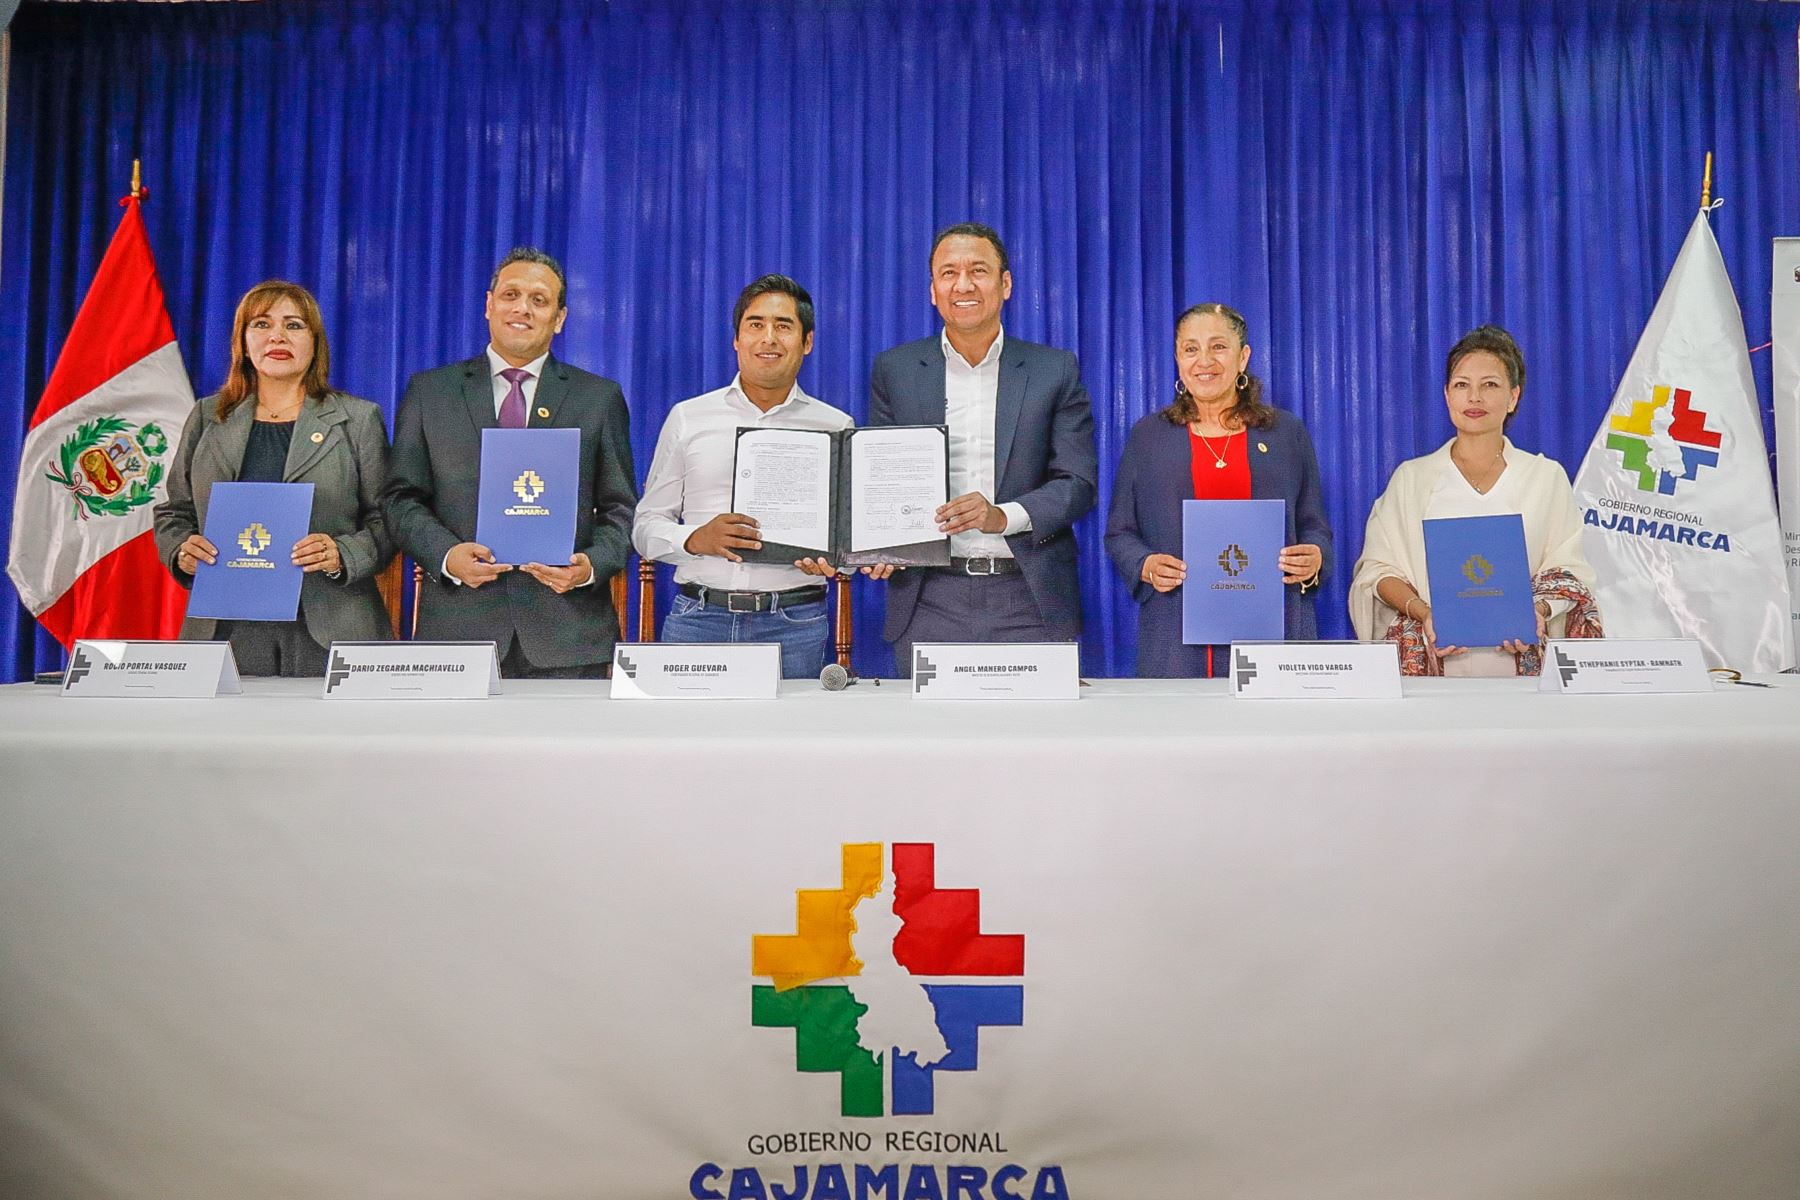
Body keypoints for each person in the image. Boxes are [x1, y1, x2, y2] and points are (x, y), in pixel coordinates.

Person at [381, 248, 637, 678]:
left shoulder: (598, 398)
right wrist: (446, 556)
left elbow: (621, 509)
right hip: (459, 632)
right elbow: (400, 499)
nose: (522, 308)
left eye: (539, 300)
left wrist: (589, 566)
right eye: (511, 294)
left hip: (569, 638)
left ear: (559, 318)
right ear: (488, 305)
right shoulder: (430, 392)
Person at [866, 222, 1098, 674]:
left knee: (1035, 743)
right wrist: (880, 545)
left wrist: (1002, 516)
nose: (964, 284)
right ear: (933, 290)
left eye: (979, 270)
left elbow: (1077, 483)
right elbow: (881, 477)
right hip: (927, 597)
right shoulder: (895, 369)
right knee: (930, 742)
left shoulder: (1054, 370)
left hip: (1028, 599)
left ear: (1005, 284)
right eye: (948, 273)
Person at [154, 281, 393, 676]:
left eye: (294, 325)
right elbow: (174, 511)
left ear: (315, 342)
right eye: (261, 324)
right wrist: (181, 550)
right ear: (242, 341)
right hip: (225, 628)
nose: (277, 336)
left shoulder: (358, 419)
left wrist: (343, 554)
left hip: (330, 626)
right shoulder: (207, 416)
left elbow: (388, 518)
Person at [1349, 324, 1601, 675]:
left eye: (1490, 385)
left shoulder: (1545, 477)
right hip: (1435, 677)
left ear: (1513, 397)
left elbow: (1570, 569)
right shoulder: (1412, 479)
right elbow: (1376, 570)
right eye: (1462, 385)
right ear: (1447, 395)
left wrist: (1537, 612)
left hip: (1526, 680)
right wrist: (1424, 613)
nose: (1475, 398)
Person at [632, 275, 851, 679]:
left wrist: (836, 561)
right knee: (689, 743)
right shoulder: (688, 417)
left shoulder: (836, 426)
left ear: (807, 342)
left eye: (784, 326)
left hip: (794, 623)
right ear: (736, 340)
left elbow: (848, 548)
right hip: (698, 619)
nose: (768, 338)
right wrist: (695, 539)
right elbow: (645, 527)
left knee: (785, 744)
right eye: (755, 325)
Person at [1105, 303, 1332, 677]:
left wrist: (1315, 558)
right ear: (1178, 360)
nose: (1204, 361)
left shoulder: (1285, 433)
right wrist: (1144, 565)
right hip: (1175, 634)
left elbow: (1314, 525)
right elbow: (1119, 532)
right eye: (1191, 349)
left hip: (1271, 631)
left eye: (1218, 347)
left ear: (1243, 358)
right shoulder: (1149, 437)